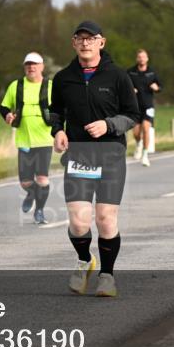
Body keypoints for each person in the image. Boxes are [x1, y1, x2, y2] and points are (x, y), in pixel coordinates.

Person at [50, 21, 139, 297]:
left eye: (92, 38)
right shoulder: (64, 78)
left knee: (105, 218)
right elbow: (55, 111)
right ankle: (85, 260)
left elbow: (133, 115)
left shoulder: (118, 76)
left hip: (110, 155)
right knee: (78, 221)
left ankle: (107, 275)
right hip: (78, 155)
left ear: (102, 42)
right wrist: (58, 131)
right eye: (80, 38)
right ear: (74, 43)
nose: (86, 43)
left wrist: (108, 125)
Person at [0, 52, 55, 225]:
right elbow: (4, 107)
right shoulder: (16, 86)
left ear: (42, 67)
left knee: (43, 180)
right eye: (28, 65)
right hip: (24, 141)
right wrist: (7, 115)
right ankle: (31, 193)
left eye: (35, 64)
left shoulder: (51, 86)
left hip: (45, 140)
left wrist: (63, 132)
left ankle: (39, 211)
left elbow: (62, 110)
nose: (31, 67)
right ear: (25, 67)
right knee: (25, 182)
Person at [127, 49, 162, 168]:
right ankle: (139, 143)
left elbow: (160, 86)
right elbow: (124, 86)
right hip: (135, 106)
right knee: (136, 132)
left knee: (146, 128)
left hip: (148, 106)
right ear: (137, 59)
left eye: (144, 57)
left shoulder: (152, 73)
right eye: (139, 57)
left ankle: (145, 155)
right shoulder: (131, 72)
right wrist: (130, 90)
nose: (141, 59)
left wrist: (156, 88)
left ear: (147, 59)